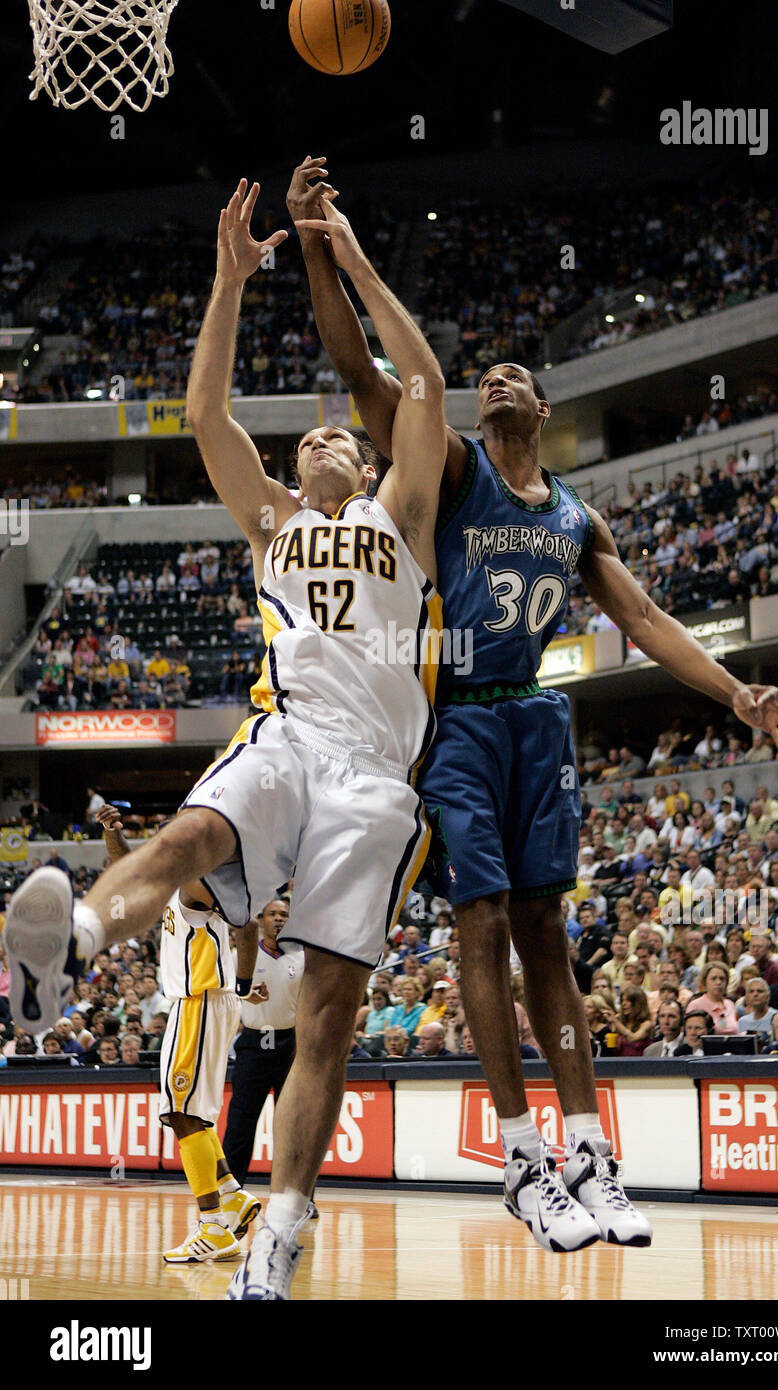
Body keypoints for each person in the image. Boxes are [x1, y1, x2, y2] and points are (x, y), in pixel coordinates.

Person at [288, 157, 778, 1252]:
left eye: (516, 371)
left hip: (536, 718)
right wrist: (321, 247)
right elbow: (356, 363)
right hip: (459, 712)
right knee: (477, 920)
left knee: (545, 933)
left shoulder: (575, 517)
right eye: (487, 373)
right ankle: (520, 1158)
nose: (495, 379)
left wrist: (736, 690)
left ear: (547, 404)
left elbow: (652, 622)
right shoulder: (455, 465)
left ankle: (589, 1153)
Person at [4, 178, 448, 1305]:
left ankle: (280, 1230)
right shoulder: (272, 525)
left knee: (333, 1016)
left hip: (376, 779)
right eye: (308, 435)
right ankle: (69, 943)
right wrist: (225, 287)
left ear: (369, 460)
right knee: (195, 829)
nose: (320, 436)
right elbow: (206, 417)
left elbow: (426, 384)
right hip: (290, 736)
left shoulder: (400, 515)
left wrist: (341, 247)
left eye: (342, 432)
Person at [95, 805, 261, 1263]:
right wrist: (113, 833)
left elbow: (248, 927)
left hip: (201, 1000)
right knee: (190, 1112)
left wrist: (243, 985)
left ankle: (213, 1228)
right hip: (200, 1002)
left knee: (181, 1111)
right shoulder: (180, 880)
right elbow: (126, 871)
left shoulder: (197, 882)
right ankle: (231, 1196)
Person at [221, 899, 308, 1193]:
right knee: (240, 1123)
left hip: (290, 1044)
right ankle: (230, 1193)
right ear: (261, 919)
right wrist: (245, 995)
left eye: (285, 914)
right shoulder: (240, 955)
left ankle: (298, 1196)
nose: (279, 919)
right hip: (254, 1042)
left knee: (295, 1125)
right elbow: (224, 993)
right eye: (273, 914)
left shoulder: (300, 956)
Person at [689, 962, 739, 1034]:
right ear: (705, 982)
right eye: (713, 978)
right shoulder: (695, 1005)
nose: (718, 982)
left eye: (722, 979)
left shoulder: (730, 1004)